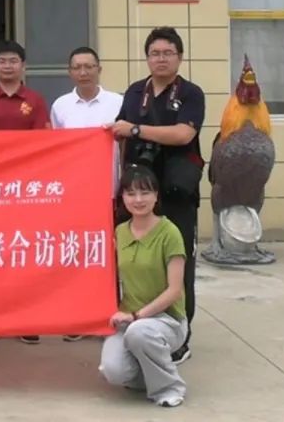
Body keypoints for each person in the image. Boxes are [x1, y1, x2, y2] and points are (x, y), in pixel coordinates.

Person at [108, 27, 205, 365]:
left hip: (176, 194)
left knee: (179, 263)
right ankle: (135, 321)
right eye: (155, 53)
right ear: (147, 58)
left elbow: (183, 134)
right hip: (138, 192)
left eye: (168, 53)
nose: (161, 59)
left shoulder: (190, 93)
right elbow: (119, 134)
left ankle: (180, 335)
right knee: (132, 262)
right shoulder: (136, 92)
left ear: (180, 57)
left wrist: (137, 130)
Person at [0, 40, 47, 345]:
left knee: (23, 252)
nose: (7, 66)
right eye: (1, 61)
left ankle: (25, 319)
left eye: (13, 60)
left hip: (25, 188)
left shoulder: (35, 100)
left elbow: (42, 143)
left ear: (23, 66)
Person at [50, 46, 124, 343]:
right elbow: (56, 150)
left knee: (111, 257)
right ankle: (78, 316)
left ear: (99, 69)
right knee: (77, 254)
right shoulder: (61, 106)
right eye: (77, 67)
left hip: (110, 192)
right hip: (75, 195)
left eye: (89, 66)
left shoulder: (118, 103)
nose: (83, 72)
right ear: (70, 72)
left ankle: (111, 315)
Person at [99, 165, 188, 408]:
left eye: (145, 192)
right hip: (128, 321)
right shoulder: (119, 232)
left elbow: (174, 290)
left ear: (156, 195)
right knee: (113, 371)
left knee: (140, 333)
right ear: (122, 198)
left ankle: (170, 388)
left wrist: (137, 316)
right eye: (131, 193)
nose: (138, 200)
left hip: (166, 321)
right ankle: (154, 371)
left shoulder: (170, 232)